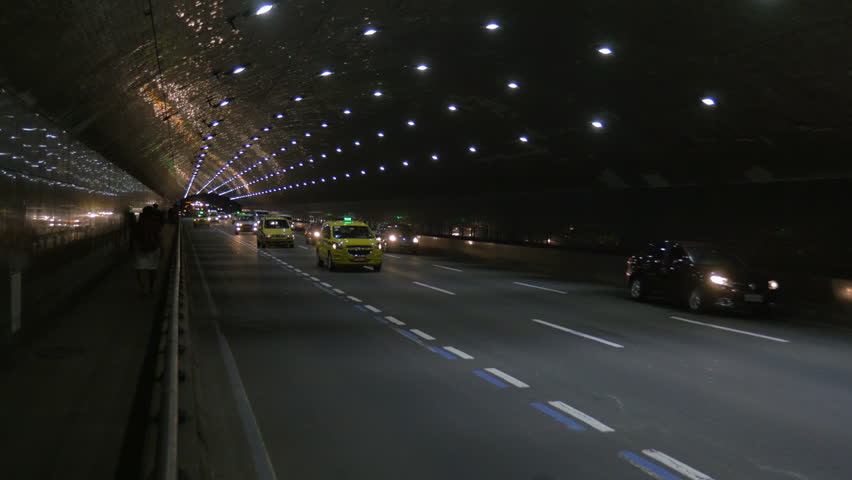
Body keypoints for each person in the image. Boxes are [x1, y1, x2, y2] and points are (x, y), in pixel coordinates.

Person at [132, 206, 163, 295]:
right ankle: (151, 287)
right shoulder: (156, 223)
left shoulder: (138, 224)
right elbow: (160, 237)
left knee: (139, 269)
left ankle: (143, 288)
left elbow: (134, 238)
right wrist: (162, 249)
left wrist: (133, 249)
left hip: (140, 249)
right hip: (154, 249)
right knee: (153, 269)